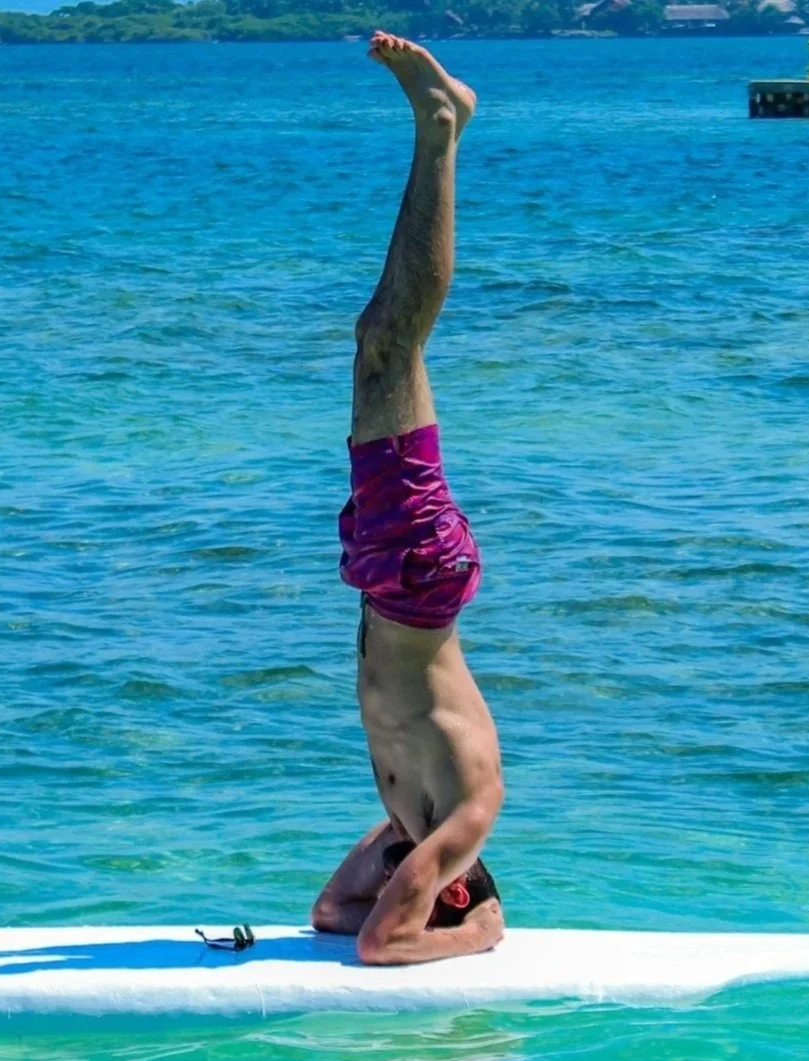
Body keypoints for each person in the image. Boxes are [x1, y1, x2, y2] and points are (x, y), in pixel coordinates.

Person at [310, 31, 504, 965]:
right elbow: (385, 947)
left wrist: (407, 874)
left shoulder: (412, 821)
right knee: (386, 342)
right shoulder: (467, 814)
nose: (399, 878)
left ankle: (441, 127)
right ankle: (441, 128)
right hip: (414, 578)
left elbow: (336, 917)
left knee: (379, 342)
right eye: (423, 882)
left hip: (387, 580)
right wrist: (473, 935)